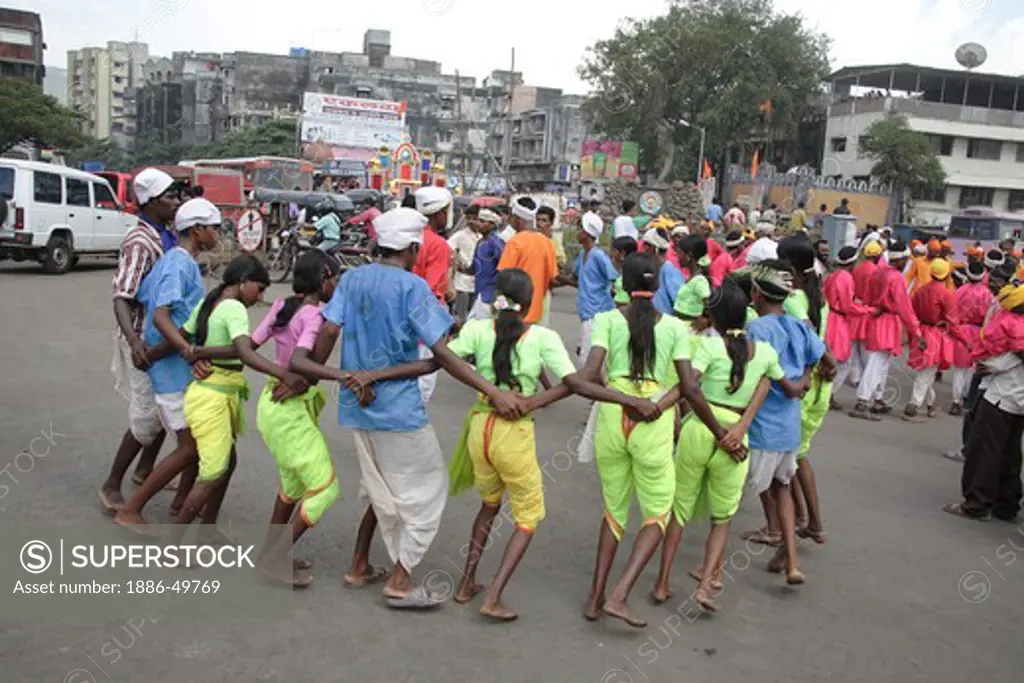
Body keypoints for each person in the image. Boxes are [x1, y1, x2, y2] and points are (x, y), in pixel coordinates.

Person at [291, 206, 528, 609]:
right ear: (413, 247)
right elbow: (441, 355)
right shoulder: (413, 288)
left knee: (378, 488)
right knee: (425, 493)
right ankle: (400, 581)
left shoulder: (352, 279)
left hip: (356, 404)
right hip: (397, 409)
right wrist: (493, 389)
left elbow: (329, 331)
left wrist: (317, 377)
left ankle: (359, 565)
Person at [565, 252, 694, 628]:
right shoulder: (674, 328)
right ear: (658, 286)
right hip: (652, 421)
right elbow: (687, 386)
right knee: (657, 511)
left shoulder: (606, 320)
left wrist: (617, 395)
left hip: (612, 417)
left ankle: (595, 597)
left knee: (613, 510)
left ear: (621, 283)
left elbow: (588, 375)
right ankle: (620, 595)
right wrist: (656, 404)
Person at [444, 269, 576, 621]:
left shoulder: (476, 330)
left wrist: (490, 391)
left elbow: (446, 356)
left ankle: (465, 583)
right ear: (532, 303)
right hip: (513, 434)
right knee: (528, 516)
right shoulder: (542, 337)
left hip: (480, 428)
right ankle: (494, 596)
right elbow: (572, 383)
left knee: (488, 506)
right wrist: (535, 401)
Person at [166, 255, 308, 563]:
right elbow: (245, 351)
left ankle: (207, 529)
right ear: (243, 281)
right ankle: (173, 545)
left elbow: (184, 333)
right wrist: (282, 373)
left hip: (208, 392)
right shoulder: (233, 308)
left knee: (227, 462)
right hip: (213, 397)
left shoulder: (213, 301)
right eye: (258, 288)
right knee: (213, 470)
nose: (259, 296)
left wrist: (192, 353)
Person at [653, 279, 782, 611]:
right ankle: (706, 585)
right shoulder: (765, 353)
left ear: (712, 317)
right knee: (722, 519)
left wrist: (656, 409)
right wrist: (739, 428)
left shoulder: (707, 349)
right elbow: (771, 384)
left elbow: (687, 387)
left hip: (699, 430)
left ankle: (662, 582)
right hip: (737, 438)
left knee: (678, 512)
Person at [113, 199, 223, 529]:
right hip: (170, 369)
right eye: (214, 228)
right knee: (190, 448)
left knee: (199, 443)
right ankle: (131, 508)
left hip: (176, 366)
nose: (218, 235)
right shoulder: (178, 263)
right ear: (197, 230)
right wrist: (188, 351)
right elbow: (161, 317)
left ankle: (182, 501)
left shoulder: (182, 261)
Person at [253, 251, 341, 587]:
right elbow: (303, 361)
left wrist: (281, 373)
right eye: (335, 277)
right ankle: (274, 559)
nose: (337, 284)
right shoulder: (315, 316)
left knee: (291, 487)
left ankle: (269, 553)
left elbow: (251, 344)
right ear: (324, 279)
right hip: (289, 412)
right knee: (325, 489)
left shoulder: (281, 306)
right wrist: (344, 375)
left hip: (270, 404)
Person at [100, 168, 182, 512]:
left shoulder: (165, 235)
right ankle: (111, 484)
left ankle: (145, 469)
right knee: (147, 414)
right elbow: (122, 296)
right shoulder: (140, 243)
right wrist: (135, 343)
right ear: (150, 203)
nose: (176, 203)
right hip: (142, 338)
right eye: (169, 198)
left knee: (164, 405)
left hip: (159, 336)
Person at [741, 261, 823, 584]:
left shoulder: (757, 329)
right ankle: (790, 561)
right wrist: (802, 380)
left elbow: (754, 373)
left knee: (746, 489)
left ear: (757, 295)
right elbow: (818, 357)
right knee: (783, 487)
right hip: (789, 424)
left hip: (763, 422)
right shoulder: (799, 326)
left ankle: (712, 566)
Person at [944, 281, 1024, 521]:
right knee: (1011, 453)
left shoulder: (1010, 330)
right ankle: (1007, 505)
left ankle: (977, 504)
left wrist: (983, 366)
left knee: (984, 452)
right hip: (1018, 402)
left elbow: (992, 363)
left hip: (1001, 398)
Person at [778, 239, 838, 545]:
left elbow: (808, 333)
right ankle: (806, 521)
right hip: (819, 387)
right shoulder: (818, 296)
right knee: (797, 455)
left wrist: (826, 358)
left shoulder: (792, 299)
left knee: (790, 459)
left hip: (804, 382)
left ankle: (805, 521)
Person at [850, 240, 923, 420]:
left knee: (881, 364)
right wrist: (916, 332)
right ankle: (862, 401)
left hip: (875, 320)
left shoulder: (877, 273)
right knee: (876, 364)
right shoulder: (896, 278)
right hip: (888, 323)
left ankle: (877, 398)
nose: (907, 262)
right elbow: (904, 308)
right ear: (900, 260)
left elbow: (867, 298)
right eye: (905, 259)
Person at [412, 186, 454, 405]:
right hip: (425, 323)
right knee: (422, 385)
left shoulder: (409, 237)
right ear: (439, 214)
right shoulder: (438, 245)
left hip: (400, 321)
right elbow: (430, 290)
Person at [903, 259, 960, 422]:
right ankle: (913, 405)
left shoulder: (920, 290)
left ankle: (930, 403)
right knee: (927, 371)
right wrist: (965, 341)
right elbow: (952, 320)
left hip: (921, 331)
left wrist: (913, 333)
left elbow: (911, 312)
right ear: (946, 273)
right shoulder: (946, 294)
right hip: (936, 335)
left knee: (927, 371)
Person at [823, 246, 876, 405]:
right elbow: (847, 306)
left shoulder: (833, 275)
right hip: (838, 321)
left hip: (829, 317)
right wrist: (867, 310)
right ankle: (828, 394)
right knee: (842, 362)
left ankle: (826, 393)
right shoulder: (845, 277)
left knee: (831, 358)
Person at [498, 197, 559, 324]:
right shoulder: (548, 243)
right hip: (537, 312)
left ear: (517, 219)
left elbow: (503, 277)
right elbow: (553, 279)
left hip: (515, 313)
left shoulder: (514, 241)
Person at [572, 213, 619, 365]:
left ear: (588, 233)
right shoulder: (581, 255)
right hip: (586, 312)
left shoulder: (598, 256)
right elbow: (577, 279)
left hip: (597, 312)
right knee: (584, 354)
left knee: (587, 360)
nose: (577, 231)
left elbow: (613, 278)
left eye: (580, 228)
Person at [948, 261, 993, 416]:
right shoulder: (988, 294)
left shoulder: (960, 291)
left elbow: (952, 313)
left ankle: (956, 402)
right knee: (971, 369)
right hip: (979, 332)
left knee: (959, 370)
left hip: (961, 330)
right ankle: (968, 398)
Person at [847, 241, 883, 388]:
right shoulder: (877, 271)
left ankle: (855, 376)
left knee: (854, 346)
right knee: (866, 348)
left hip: (856, 306)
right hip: (869, 310)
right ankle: (866, 377)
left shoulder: (857, 268)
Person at [467, 209, 505, 321]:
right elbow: (474, 268)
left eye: (483, 221)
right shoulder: (480, 242)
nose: (479, 224)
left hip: (490, 296)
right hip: (479, 293)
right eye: (479, 220)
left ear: (493, 225)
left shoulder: (496, 243)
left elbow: (504, 267)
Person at [448, 204, 481, 325]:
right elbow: (448, 248)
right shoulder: (460, 235)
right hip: (462, 282)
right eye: (469, 218)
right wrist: (457, 259)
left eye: (475, 218)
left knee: (473, 317)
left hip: (476, 281)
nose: (472, 221)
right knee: (461, 316)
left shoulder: (481, 236)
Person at [642, 228, 685, 315]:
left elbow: (680, 304)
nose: (644, 249)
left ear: (653, 248)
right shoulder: (654, 269)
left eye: (646, 245)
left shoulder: (669, 271)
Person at [673, 234, 712, 329]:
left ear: (689, 256)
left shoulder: (700, 281)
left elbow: (710, 304)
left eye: (679, 253)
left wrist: (705, 320)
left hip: (690, 330)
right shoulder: (691, 278)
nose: (677, 256)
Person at [535, 205, 565, 326]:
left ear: (551, 223)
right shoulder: (531, 238)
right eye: (538, 220)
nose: (540, 223)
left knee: (541, 324)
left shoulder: (553, 242)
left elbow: (560, 263)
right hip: (527, 288)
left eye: (544, 220)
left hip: (544, 289)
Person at [611, 236, 638, 307]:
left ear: (622, 253)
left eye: (614, 251)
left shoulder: (629, 273)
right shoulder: (623, 269)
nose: (612, 254)